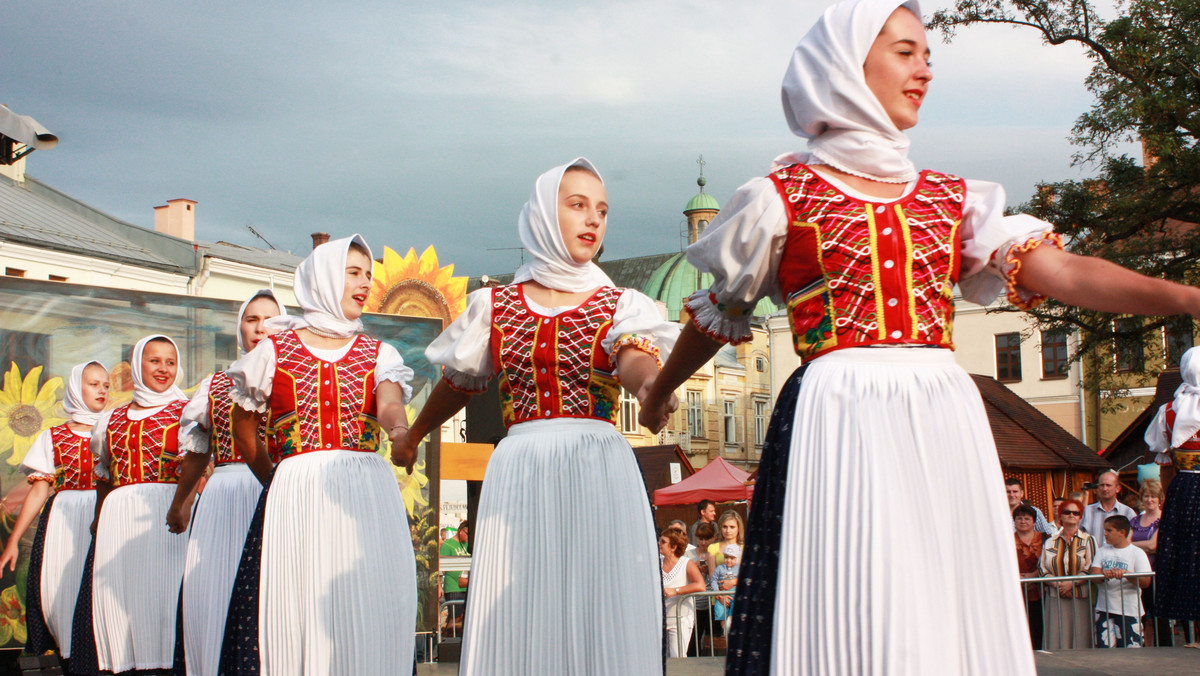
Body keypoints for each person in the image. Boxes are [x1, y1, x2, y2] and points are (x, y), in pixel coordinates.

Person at [638, 1, 1200, 670]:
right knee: (851, 586)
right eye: (905, 51)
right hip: (836, 414)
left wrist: (1186, 295)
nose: (924, 70)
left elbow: (1064, 271)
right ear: (846, 65)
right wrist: (661, 390)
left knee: (940, 586)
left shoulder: (953, 197)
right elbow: (718, 315)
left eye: (927, 54)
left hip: (939, 413)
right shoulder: (779, 196)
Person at [395, 158, 679, 675]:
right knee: (521, 599)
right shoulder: (495, 305)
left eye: (602, 210)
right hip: (521, 467)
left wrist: (652, 389)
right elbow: (459, 382)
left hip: (598, 464)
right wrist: (413, 434)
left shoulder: (622, 304)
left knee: (598, 599)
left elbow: (635, 360)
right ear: (544, 216)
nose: (593, 220)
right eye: (577, 205)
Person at [219, 235, 417, 675]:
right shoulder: (272, 351)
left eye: (368, 274)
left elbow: (387, 403)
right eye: (353, 272)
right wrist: (276, 480)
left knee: (366, 594)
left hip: (364, 490)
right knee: (295, 597)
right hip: (298, 490)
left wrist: (400, 433)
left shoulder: (378, 352)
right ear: (324, 277)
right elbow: (243, 427)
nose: (365, 283)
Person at [166, 289, 285, 676]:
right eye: (252, 319)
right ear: (240, 327)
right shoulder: (215, 385)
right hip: (223, 496)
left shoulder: (292, 379)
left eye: (269, 318)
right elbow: (199, 452)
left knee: (273, 592)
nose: (260, 327)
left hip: (278, 489)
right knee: (212, 589)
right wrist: (181, 502)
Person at [86, 335, 191, 673]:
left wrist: (185, 505)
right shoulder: (110, 420)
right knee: (122, 596)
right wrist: (99, 518)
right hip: (119, 518)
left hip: (164, 512)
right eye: (154, 360)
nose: (163, 369)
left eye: (170, 362)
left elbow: (200, 468)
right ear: (137, 364)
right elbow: (104, 477)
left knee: (166, 593)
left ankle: (167, 663)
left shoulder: (188, 412)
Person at [0, 362, 108, 662]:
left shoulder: (113, 429)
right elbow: (38, 491)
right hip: (63, 520)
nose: (101, 390)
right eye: (93, 383)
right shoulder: (54, 437)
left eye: (106, 385)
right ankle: (69, 656)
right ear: (76, 387)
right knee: (59, 588)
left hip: (105, 515)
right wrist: (13, 542)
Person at [1144, 346, 1200, 636]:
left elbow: (1164, 463)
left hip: (1185, 488)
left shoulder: (1169, 410)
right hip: (1188, 487)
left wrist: (1169, 499)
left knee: (1186, 554)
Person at [1040, 498, 1095, 649]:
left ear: (1080, 516)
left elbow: (1091, 566)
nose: (1071, 515)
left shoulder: (1089, 540)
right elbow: (1042, 568)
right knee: (1056, 636)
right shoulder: (1050, 541)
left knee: (1081, 636)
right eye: (1067, 512)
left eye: (1075, 513)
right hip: (1055, 595)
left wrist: (1072, 583)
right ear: (1060, 515)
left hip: (1080, 596)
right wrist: (1058, 585)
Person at [1090, 515, 1152, 648]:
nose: (1105, 534)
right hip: (1104, 610)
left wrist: (1128, 575)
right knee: (1104, 650)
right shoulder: (1102, 551)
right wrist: (1103, 575)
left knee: (1131, 651)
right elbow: (1094, 575)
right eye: (1104, 530)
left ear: (1122, 532)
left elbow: (1146, 582)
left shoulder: (1137, 553)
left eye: (1109, 530)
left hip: (1129, 610)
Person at [1130, 479, 1170, 646]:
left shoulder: (1164, 519)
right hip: (1139, 574)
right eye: (1146, 496)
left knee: (1160, 616)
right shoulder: (1135, 520)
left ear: (1159, 498)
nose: (1149, 500)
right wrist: (1142, 547)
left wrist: (1134, 546)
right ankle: (1147, 647)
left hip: (1158, 573)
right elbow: (1124, 544)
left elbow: (1154, 545)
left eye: (1153, 496)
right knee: (1144, 615)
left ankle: (1166, 648)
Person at [660, 528, 706, 658]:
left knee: (677, 657)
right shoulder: (656, 562)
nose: (659, 543)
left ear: (673, 547)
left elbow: (700, 585)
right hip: (660, 619)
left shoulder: (686, 563)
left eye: (663, 541)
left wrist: (676, 591)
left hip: (680, 618)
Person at [1013, 504, 1045, 650]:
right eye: (1019, 518)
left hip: (1040, 591)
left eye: (1027, 518)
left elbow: (1050, 561)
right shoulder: (1007, 539)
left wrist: (1035, 575)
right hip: (1016, 591)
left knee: (1038, 626)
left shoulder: (1045, 539)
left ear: (1034, 521)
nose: (1023, 521)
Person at [1082, 470, 1137, 537]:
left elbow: (1134, 538)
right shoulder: (1087, 511)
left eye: (1108, 485)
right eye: (1102, 485)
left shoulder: (1127, 512)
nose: (1105, 489)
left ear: (1118, 488)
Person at [440, 519, 470, 631]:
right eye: (467, 534)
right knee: (455, 617)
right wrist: (439, 585)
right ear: (461, 531)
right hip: (453, 587)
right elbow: (441, 568)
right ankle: (448, 636)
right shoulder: (447, 545)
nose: (468, 537)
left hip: (467, 585)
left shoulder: (468, 545)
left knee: (463, 617)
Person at [710, 544, 741, 637]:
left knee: (734, 610)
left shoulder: (740, 568)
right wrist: (716, 592)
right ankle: (724, 630)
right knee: (720, 610)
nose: (729, 560)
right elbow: (713, 580)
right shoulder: (719, 568)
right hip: (721, 595)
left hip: (735, 595)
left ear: (737, 558)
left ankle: (731, 627)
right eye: (726, 557)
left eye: (732, 558)